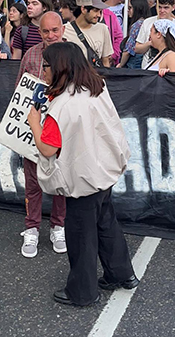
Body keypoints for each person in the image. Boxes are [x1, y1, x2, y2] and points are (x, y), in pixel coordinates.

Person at [27, 42, 136, 307]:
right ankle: (121, 274)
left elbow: (48, 148)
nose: (44, 71)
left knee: (81, 236)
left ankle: (82, 291)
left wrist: (33, 122)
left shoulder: (61, 107)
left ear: (61, 67)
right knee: (106, 223)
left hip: (81, 178)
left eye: (47, 66)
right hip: (104, 169)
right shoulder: (96, 86)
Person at [17, 11, 68, 258]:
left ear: (63, 30)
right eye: (46, 31)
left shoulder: (73, 55)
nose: (51, 35)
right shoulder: (31, 55)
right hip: (34, 128)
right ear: (40, 32)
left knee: (60, 182)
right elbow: (18, 91)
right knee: (33, 182)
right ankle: (32, 229)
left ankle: (58, 226)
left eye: (55, 30)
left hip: (61, 128)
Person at [64, 0, 114, 67]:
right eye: (95, 10)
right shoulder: (64, 30)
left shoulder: (103, 29)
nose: (99, 15)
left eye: (100, 11)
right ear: (83, 9)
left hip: (96, 76)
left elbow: (106, 61)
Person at [133, 0, 175, 65]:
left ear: (173, 7)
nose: (162, 10)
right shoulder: (147, 22)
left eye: (166, 8)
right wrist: (150, 43)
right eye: (159, 7)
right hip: (148, 68)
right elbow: (137, 49)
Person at [119, 0, 153, 69]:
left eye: (130, 8)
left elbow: (128, 50)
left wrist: (121, 64)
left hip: (134, 62)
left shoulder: (137, 25)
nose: (128, 10)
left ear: (137, 9)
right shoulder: (148, 22)